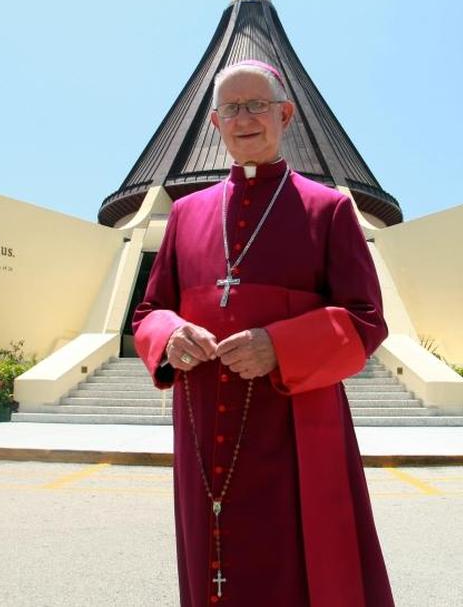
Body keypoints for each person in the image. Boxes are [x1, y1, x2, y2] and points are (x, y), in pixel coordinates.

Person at [132, 59, 395, 606]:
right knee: (212, 559)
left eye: (257, 105)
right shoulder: (185, 214)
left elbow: (367, 319)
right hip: (204, 423)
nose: (244, 118)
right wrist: (170, 334)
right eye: (231, 108)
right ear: (213, 123)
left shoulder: (328, 209)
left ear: (286, 114)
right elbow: (150, 310)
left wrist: (280, 346)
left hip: (295, 426)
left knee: (299, 564)